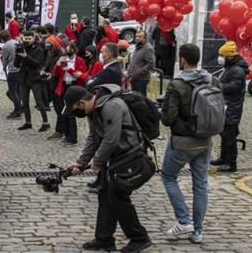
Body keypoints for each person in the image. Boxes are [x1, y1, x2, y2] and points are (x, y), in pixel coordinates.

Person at [65, 85, 152, 253]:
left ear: (81, 102)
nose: (77, 113)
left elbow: (111, 139)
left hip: (131, 156)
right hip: (117, 158)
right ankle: (104, 239)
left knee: (117, 195)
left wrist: (97, 162)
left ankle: (139, 238)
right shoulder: (94, 111)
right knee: (105, 194)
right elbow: (93, 138)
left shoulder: (111, 106)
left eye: (75, 109)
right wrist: (81, 163)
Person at [160, 43, 220, 243]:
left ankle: (184, 220)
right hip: (205, 139)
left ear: (182, 60)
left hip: (182, 141)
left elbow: (168, 118)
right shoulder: (213, 80)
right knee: (200, 184)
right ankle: (198, 231)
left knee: (169, 176)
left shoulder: (176, 84)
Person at [211, 41, 248, 173]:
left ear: (230, 57)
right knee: (224, 132)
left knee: (230, 135)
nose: (220, 58)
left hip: (232, 107)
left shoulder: (237, 70)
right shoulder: (230, 67)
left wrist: (218, 86)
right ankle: (223, 157)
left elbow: (234, 88)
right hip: (227, 105)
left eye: (222, 56)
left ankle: (231, 163)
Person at [51, 41, 87, 146]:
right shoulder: (63, 59)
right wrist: (57, 65)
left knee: (71, 113)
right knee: (63, 112)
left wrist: (69, 69)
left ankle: (72, 138)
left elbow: (80, 75)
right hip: (63, 86)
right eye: (66, 49)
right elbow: (55, 74)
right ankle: (66, 135)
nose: (67, 51)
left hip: (74, 86)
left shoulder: (79, 60)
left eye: (69, 49)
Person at [15, 31, 50, 132]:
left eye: (29, 38)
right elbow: (16, 65)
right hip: (24, 78)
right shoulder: (22, 47)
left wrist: (26, 56)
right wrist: (18, 54)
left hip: (35, 79)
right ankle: (28, 122)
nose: (27, 40)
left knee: (39, 102)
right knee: (25, 102)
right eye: (25, 38)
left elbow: (38, 63)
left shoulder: (39, 49)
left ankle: (45, 123)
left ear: (33, 38)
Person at [0, 31, 22, 118]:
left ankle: (18, 110)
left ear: (2, 39)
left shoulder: (5, 46)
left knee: (12, 92)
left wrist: (4, 67)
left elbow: (5, 60)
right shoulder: (17, 42)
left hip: (13, 70)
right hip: (20, 69)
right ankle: (19, 107)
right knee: (17, 91)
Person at [126, 30, 155, 96]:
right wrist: (129, 73)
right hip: (134, 78)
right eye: (136, 36)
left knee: (141, 99)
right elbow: (134, 61)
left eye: (140, 37)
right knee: (135, 98)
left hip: (142, 79)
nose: (137, 38)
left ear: (144, 38)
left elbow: (151, 64)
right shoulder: (137, 46)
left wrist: (139, 72)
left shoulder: (148, 48)